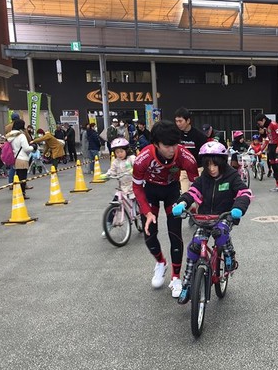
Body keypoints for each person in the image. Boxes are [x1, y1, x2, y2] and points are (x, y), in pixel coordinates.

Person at [171, 141, 252, 304]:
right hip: (204, 218)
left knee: (221, 233)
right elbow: (193, 192)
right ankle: (187, 285)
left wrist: (238, 208)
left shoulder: (231, 176)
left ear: (222, 162)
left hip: (224, 216)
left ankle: (229, 256)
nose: (212, 168)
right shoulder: (204, 178)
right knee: (194, 247)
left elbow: (244, 192)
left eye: (215, 164)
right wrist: (182, 203)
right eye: (208, 165)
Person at [132, 120, 199, 296]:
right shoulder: (143, 158)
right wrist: (146, 211)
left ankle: (176, 277)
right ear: (156, 144)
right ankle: (161, 262)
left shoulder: (184, 155)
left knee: (175, 233)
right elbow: (137, 187)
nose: (172, 150)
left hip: (172, 191)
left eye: (175, 145)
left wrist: (195, 203)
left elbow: (196, 183)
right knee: (149, 233)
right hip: (150, 191)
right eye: (167, 146)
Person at [100, 137, 136, 237]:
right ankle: (108, 226)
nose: (119, 154)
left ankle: (143, 218)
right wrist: (106, 175)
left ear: (126, 150)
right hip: (122, 188)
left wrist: (135, 169)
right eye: (117, 152)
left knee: (140, 202)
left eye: (121, 151)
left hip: (134, 186)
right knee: (114, 204)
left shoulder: (131, 158)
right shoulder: (115, 161)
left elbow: (138, 165)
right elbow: (112, 171)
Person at [174, 107, 207, 193]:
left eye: (180, 121)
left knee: (198, 196)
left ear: (188, 121)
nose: (178, 124)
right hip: (183, 171)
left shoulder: (199, 136)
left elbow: (204, 154)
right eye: (176, 121)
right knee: (185, 197)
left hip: (198, 170)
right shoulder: (175, 135)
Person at [5, 119, 36, 198]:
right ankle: (22, 194)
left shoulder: (10, 136)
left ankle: (18, 193)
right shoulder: (21, 135)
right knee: (23, 178)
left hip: (15, 158)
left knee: (18, 177)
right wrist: (33, 147)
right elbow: (26, 148)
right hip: (22, 159)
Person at [255, 113, 278, 193]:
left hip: (276, 147)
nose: (259, 125)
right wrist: (261, 150)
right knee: (274, 167)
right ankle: (277, 185)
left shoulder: (274, 124)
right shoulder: (267, 127)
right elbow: (267, 140)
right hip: (271, 148)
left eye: (259, 122)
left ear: (263, 120)